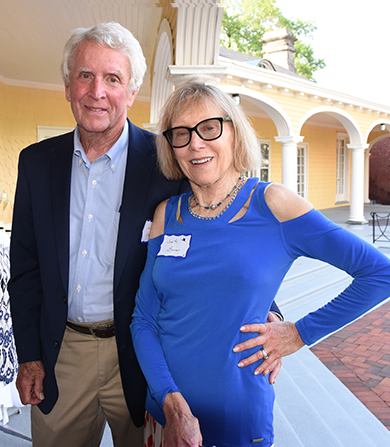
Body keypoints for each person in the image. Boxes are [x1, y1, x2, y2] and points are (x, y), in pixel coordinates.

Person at [8, 23, 282, 447]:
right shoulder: (36, 163)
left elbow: (219, 226)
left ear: (131, 92)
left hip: (145, 357)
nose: (97, 91)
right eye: (85, 75)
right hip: (61, 355)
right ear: (67, 86)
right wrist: (29, 355)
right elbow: (24, 268)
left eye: (112, 79)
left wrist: (272, 311)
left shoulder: (166, 164)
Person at [130, 80, 390, 447]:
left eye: (209, 128)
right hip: (164, 414)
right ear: (170, 147)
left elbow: (380, 273)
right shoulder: (166, 214)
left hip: (237, 420)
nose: (195, 144)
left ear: (234, 132)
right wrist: (171, 403)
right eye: (181, 134)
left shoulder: (274, 205)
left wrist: (299, 333)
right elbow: (143, 319)